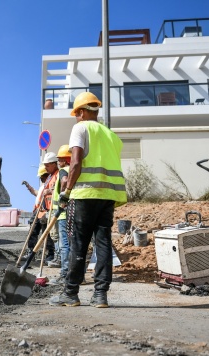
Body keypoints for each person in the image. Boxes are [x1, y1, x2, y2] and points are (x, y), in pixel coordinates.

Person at [49, 92, 127, 308]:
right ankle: (100, 295)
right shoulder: (111, 135)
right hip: (108, 196)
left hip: (84, 195)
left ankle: (71, 293)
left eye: (76, 114)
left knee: (78, 244)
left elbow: (75, 163)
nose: (76, 117)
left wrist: (67, 190)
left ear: (82, 112)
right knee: (103, 244)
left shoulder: (81, 128)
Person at [24, 156, 57, 264]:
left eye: (42, 177)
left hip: (45, 211)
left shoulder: (51, 181)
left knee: (46, 234)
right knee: (32, 232)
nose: (40, 179)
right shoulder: (44, 185)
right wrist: (29, 187)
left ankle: (50, 254)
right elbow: (38, 194)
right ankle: (30, 252)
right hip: (37, 211)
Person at [48, 145, 72, 284]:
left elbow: (64, 182)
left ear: (65, 159)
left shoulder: (64, 171)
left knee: (64, 246)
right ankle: (75, 275)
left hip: (63, 215)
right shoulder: (76, 171)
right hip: (73, 213)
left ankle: (65, 274)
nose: (58, 162)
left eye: (60, 159)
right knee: (72, 245)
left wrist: (63, 196)